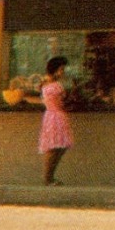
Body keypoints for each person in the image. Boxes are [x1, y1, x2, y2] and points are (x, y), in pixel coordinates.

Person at [27, 56, 75, 185]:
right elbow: (62, 103)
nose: (63, 72)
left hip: (49, 116)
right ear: (56, 70)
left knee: (55, 146)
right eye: (61, 69)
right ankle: (48, 177)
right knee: (56, 147)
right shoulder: (57, 86)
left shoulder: (44, 83)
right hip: (57, 116)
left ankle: (49, 177)